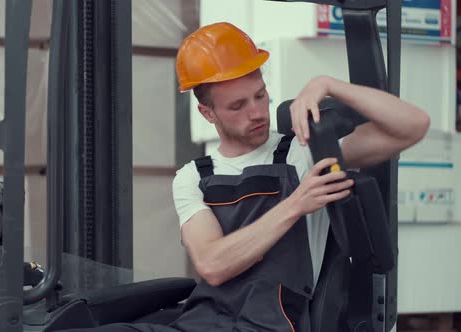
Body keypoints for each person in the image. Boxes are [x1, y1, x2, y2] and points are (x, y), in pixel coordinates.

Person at [64, 22, 430, 332]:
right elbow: (213, 264)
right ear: (208, 113)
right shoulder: (192, 178)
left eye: (260, 95)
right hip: (202, 321)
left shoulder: (303, 151)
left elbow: (412, 126)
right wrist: (295, 204)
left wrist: (326, 84)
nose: (257, 112)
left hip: (272, 323)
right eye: (237, 106)